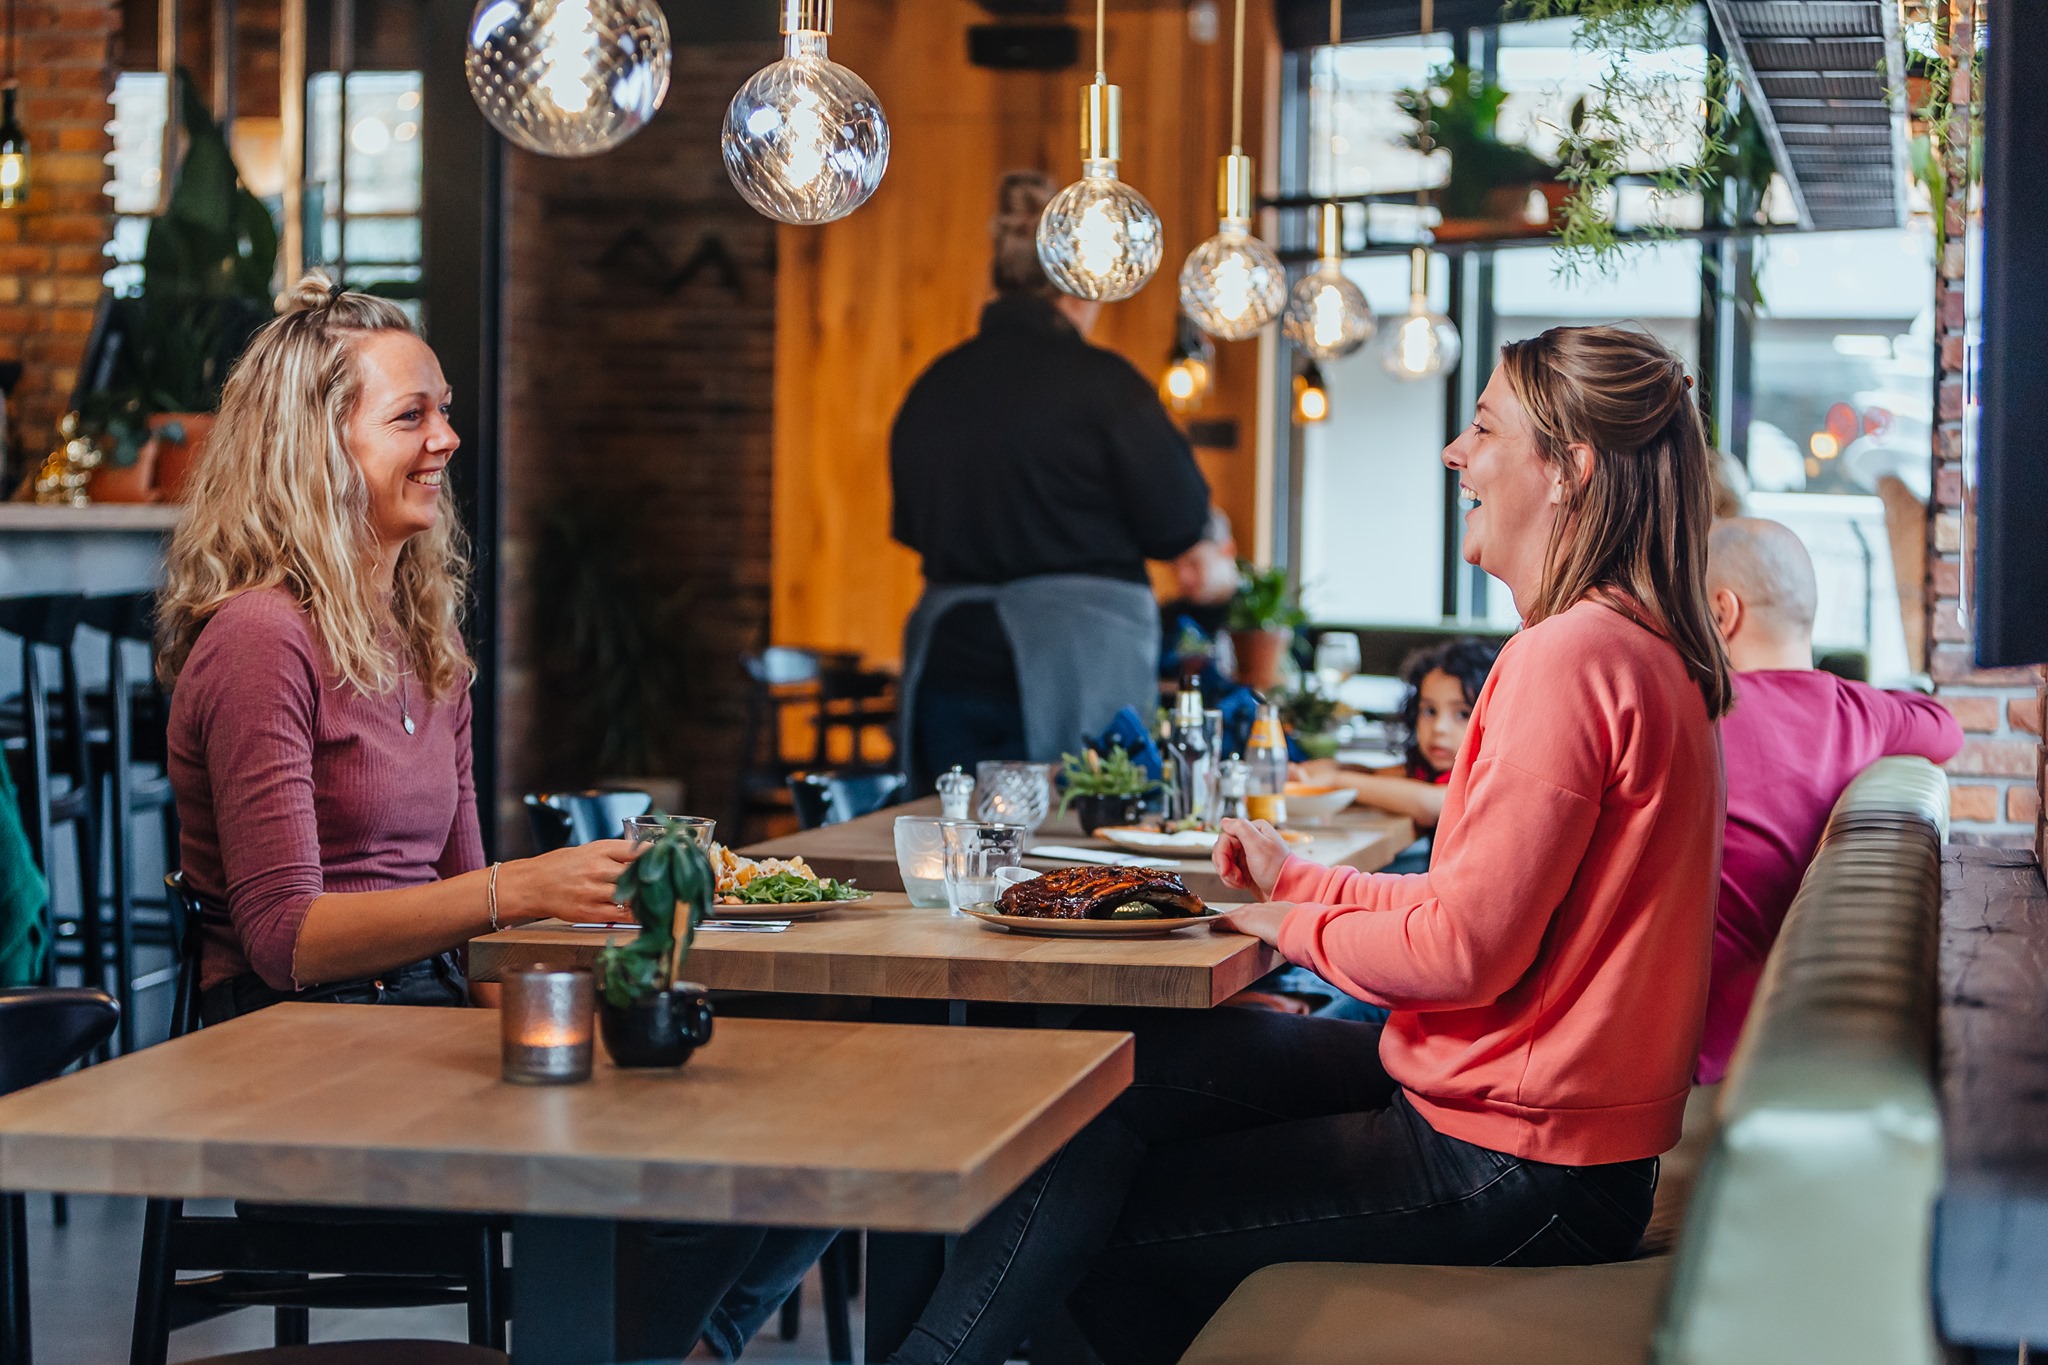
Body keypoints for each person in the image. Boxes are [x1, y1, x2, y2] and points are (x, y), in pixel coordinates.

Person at [880, 325, 1731, 1365]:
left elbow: (1461, 954)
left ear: (1568, 469)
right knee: (1111, 1074)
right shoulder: (1637, 648)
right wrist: (1297, 881)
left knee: (1097, 1228)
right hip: (1550, 1141)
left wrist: (1284, 922)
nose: (1452, 453)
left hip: (1512, 1163)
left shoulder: (1565, 659)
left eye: (1480, 428)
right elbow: (1470, 908)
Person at [157, 273, 829, 1361]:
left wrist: (611, 963)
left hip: (425, 1038)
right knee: (696, 1195)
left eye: (446, 409)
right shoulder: (259, 640)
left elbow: (478, 948)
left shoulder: (426, 639)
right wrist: (523, 888)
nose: (448, 439)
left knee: (811, 1140)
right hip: (294, 1078)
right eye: (411, 415)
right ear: (313, 445)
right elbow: (285, 941)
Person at [891, 170, 1214, 793]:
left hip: (949, 657)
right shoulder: (1106, 386)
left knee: (948, 848)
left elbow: (911, 528)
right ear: (1078, 289)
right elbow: (1178, 523)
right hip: (1077, 662)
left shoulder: (934, 386)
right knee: (1071, 858)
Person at [1694, 516, 1962, 1084]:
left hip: (1680, 1046)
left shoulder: (1695, 716)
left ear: (1721, 613)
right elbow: (1945, 727)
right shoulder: (1857, 713)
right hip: (1767, 1035)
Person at [1294, 637, 1501, 853]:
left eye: (1462, 714)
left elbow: (1434, 803)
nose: (1439, 728)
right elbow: (1377, 775)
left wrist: (1338, 780)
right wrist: (1313, 772)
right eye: (1429, 711)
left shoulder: (1482, 778)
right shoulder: (1427, 769)